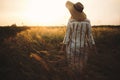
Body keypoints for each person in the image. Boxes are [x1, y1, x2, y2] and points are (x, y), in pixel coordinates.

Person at [62, 1, 97, 75]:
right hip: (84, 47)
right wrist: (93, 46)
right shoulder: (87, 21)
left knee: (72, 66)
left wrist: (63, 46)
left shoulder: (71, 21)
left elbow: (67, 35)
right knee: (82, 66)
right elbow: (90, 36)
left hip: (72, 48)